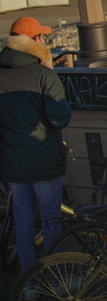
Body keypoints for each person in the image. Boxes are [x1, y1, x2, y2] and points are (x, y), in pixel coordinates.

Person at [0, 17, 72, 269]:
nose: (44, 40)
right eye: (41, 37)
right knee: (51, 219)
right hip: (43, 160)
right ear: (35, 42)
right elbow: (59, 117)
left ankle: (27, 280)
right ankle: (54, 277)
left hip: (11, 162)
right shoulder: (43, 75)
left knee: (23, 220)